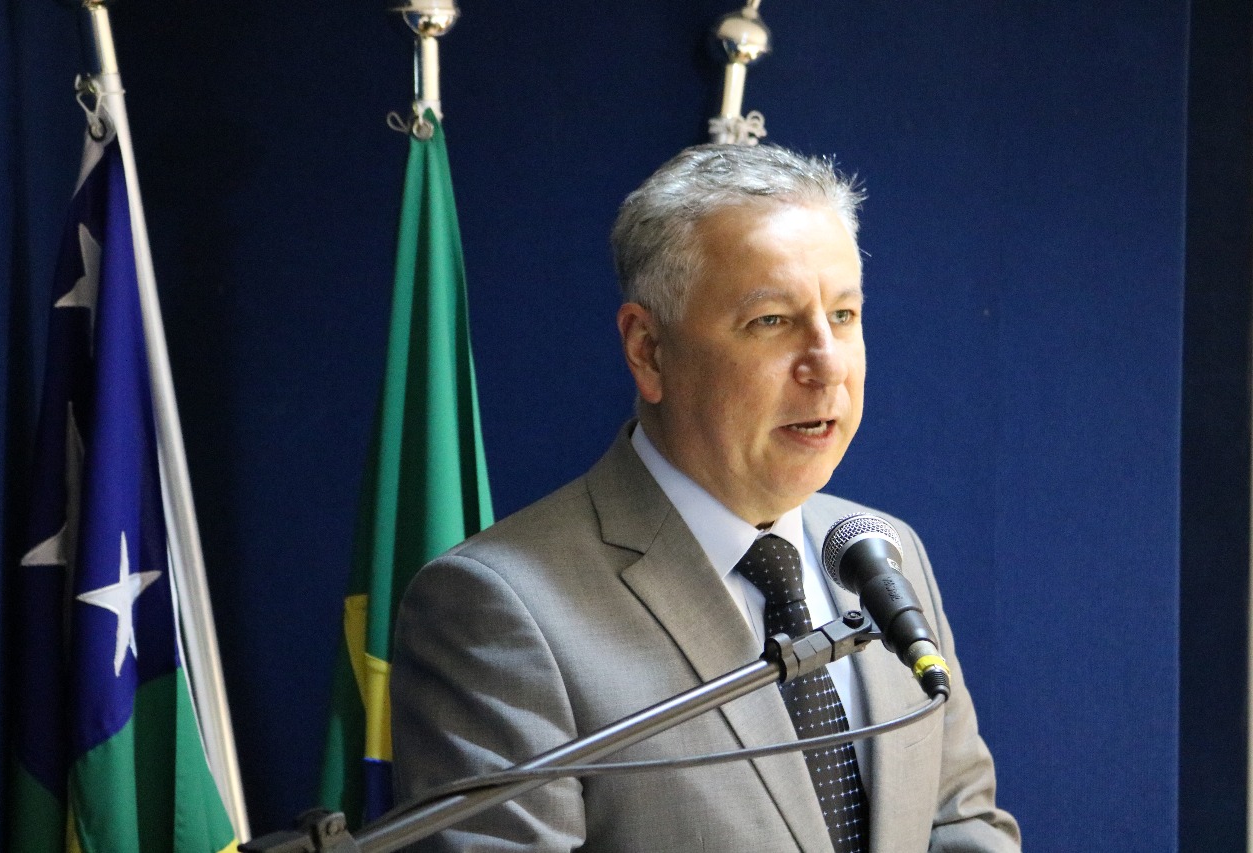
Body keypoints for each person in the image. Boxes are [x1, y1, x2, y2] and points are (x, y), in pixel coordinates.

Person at [390, 143, 1021, 852]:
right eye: (772, 321)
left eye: (844, 315)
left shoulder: (880, 551)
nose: (827, 366)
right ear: (648, 349)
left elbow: (960, 822)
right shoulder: (497, 608)